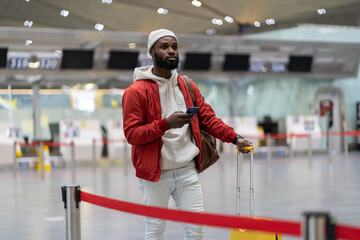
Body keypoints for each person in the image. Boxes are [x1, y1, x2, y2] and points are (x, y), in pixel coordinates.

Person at [122, 29, 252, 240]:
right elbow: (132, 134)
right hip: (155, 175)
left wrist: (235, 138)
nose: (171, 51)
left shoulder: (188, 86)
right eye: (164, 47)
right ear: (151, 52)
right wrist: (166, 124)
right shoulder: (135, 92)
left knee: (196, 230)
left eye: (174, 46)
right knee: (155, 231)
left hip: (187, 171)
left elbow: (208, 119)